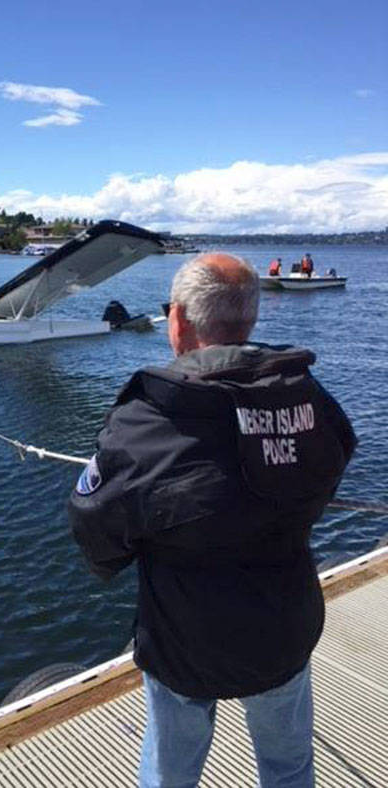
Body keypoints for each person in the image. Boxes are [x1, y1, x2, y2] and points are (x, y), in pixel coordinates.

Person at [68, 253, 356, 788]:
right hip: (284, 631)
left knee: (169, 774)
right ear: (251, 319)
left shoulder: (144, 420)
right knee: (290, 767)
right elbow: (335, 456)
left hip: (184, 643)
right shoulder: (309, 397)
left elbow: (95, 532)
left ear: (177, 320)